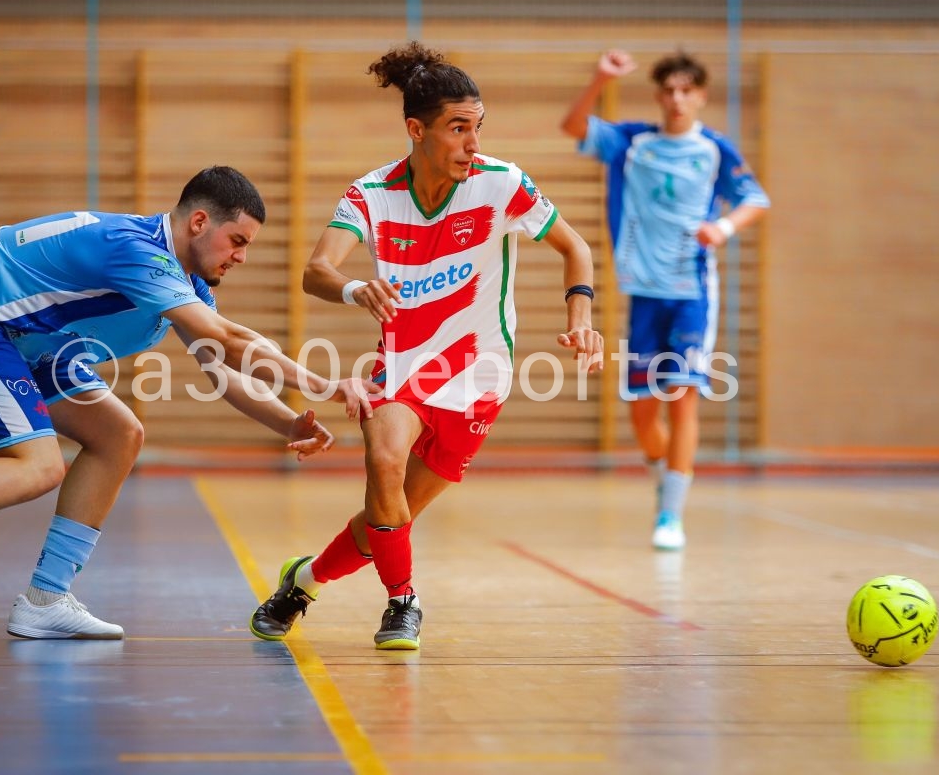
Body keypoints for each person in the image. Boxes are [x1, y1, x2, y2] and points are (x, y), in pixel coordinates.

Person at [0, 165, 378, 640]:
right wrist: (332, 386)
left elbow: (223, 368)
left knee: (119, 434)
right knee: (37, 463)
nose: (240, 256)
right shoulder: (137, 250)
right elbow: (235, 343)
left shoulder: (181, 280)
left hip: (27, 341)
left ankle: (45, 601)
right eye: (237, 241)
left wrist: (289, 424)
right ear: (198, 223)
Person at [249, 42, 604, 651]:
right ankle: (403, 602)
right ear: (417, 129)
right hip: (401, 370)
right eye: (458, 128)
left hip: (481, 376)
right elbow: (317, 270)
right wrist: (357, 286)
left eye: (478, 127)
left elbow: (578, 248)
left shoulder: (502, 185)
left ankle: (302, 581)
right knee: (383, 464)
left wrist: (582, 315)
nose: (472, 143)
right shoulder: (373, 193)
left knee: (389, 517)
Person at [559, 49, 770, 550]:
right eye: (668, 90)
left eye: (686, 90)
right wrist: (599, 77)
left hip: (691, 292)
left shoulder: (715, 149)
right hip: (643, 294)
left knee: (682, 399)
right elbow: (573, 125)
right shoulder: (632, 142)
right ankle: (667, 479)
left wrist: (721, 227)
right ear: (658, 96)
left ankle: (671, 516)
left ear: (700, 96)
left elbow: (755, 200)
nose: (677, 99)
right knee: (639, 412)